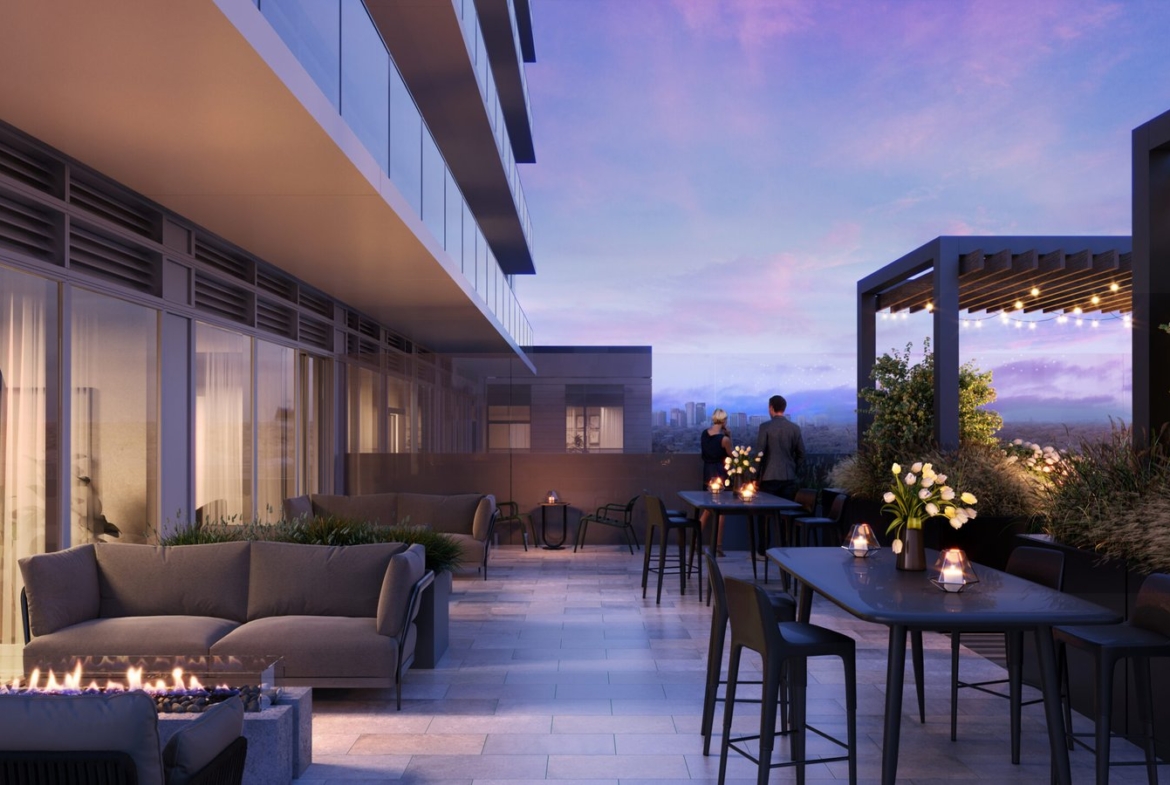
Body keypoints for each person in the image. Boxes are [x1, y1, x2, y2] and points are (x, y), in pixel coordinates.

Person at [754, 394, 805, 557]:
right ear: (784, 408)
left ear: (771, 408)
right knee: (786, 516)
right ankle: (785, 551)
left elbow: (760, 454)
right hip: (788, 477)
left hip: (769, 477)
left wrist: (754, 476)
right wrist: (793, 469)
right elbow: (801, 454)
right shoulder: (794, 428)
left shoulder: (765, 427)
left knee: (764, 516)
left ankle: (763, 550)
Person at [699, 408, 733, 555]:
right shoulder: (724, 439)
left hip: (707, 472)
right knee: (721, 512)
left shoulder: (704, 434)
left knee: (707, 509)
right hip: (720, 472)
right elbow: (732, 455)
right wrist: (729, 435)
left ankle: (696, 542)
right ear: (724, 420)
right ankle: (718, 546)